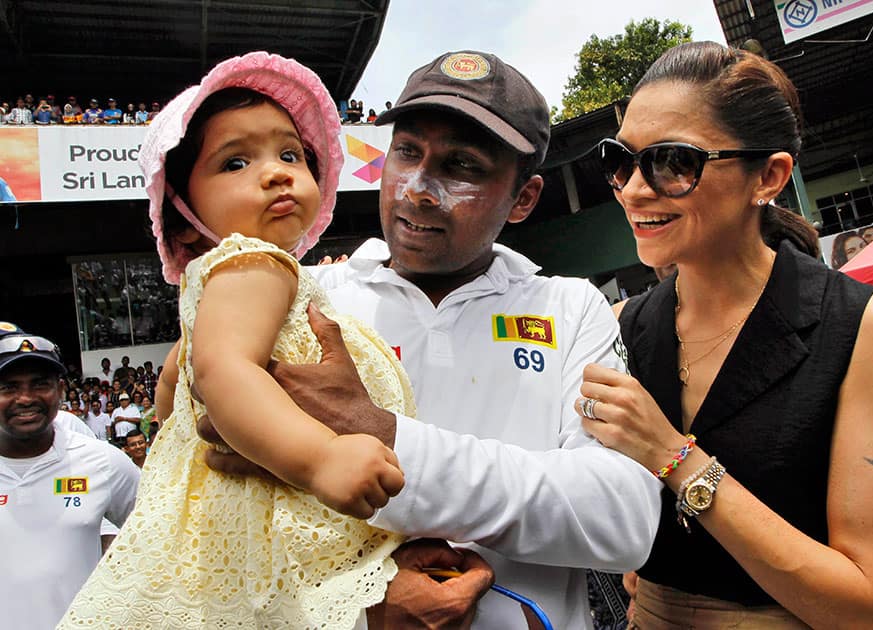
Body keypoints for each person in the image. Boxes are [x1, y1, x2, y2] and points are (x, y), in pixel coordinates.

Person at [198, 50, 662, 629]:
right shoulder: (303, 299)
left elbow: (622, 518)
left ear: (524, 198)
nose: (418, 189)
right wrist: (356, 605)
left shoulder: (570, 309)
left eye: (462, 166)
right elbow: (221, 516)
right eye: (407, 152)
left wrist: (381, 436)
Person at [59, 51, 413, 630]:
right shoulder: (254, 265)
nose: (275, 171)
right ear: (182, 212)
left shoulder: (231, 288)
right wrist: (319, 457)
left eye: (290, 153)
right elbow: (223, 373)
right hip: (285, 524)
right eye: (236, 162)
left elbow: (177, 390)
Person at [579, 42, 873, 628]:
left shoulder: (868, 326)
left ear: (768, 175)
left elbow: (869, 606)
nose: (634, 189)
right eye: (621, 161)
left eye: (672, 162)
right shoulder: (623, 328)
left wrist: (676, 459)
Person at [0, 323, 139, 630]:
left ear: (60, 391)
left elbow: (158, 537)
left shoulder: (103, 462)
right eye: (7, 387)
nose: (25, 398)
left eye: (40, 384)